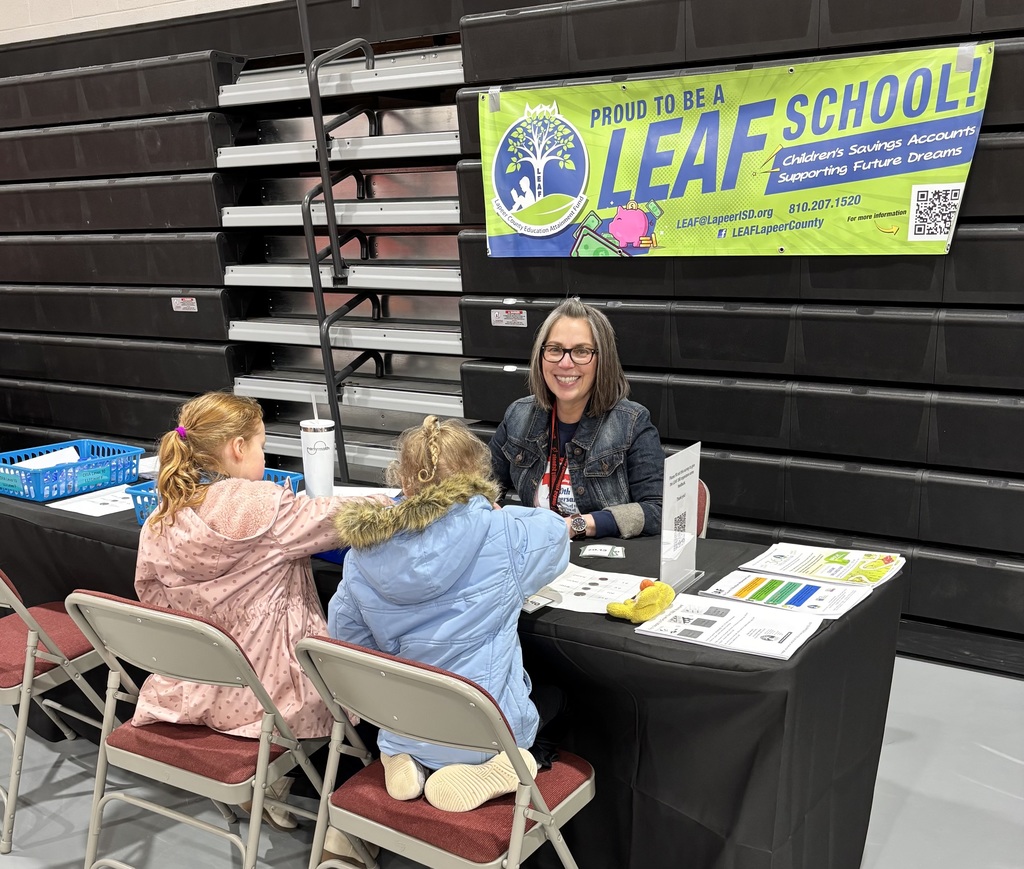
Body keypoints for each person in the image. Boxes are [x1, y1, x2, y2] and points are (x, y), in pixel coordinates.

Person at [132, 391, 380, 863]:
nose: (265, 458)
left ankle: (267, 786)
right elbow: (351, 518)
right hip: (276, 697)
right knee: (358, 679)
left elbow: (152, 600)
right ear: (238, 447)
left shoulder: (159, 520)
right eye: (263, 446)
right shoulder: (265, 507)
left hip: (189, 689)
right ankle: (352, 819)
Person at [328, 416, 568, 812]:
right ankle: (500, 765)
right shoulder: (503, 533)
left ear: (403, 482)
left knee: (412, 713)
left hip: (405, 724)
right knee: (555, 697)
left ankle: (402, 757)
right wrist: (491, 509)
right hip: (485, 731)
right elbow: (555, 532)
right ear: (477, 476)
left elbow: (347, 641)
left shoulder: (361, 555)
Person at [489, 297, 664, 539]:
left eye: (581, 351)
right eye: (555, 349)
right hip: (538, 553)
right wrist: (485, 506)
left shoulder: (632, 423)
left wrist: (576, 525)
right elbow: (480, 485)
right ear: (541, 356)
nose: (565, 363)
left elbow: (657, 511)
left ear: (602, 360)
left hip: (601, 557)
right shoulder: (519, 415)